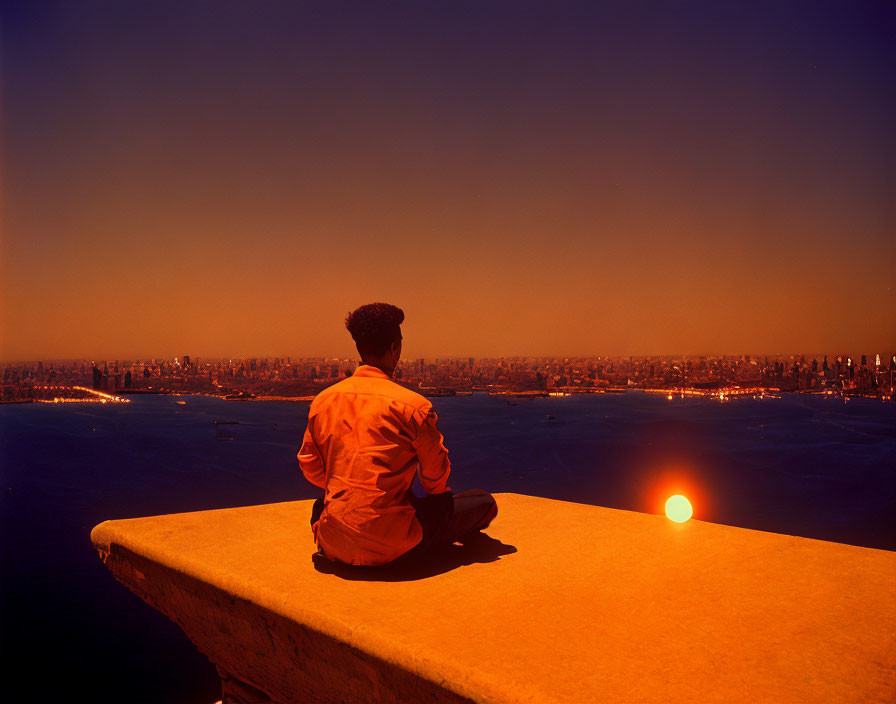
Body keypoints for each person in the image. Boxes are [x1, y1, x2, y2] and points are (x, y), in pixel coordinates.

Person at [298, 302, 498, 567]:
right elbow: (435, 482)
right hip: (395, 548)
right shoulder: (412, 406)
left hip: (333, 543)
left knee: (320, 505)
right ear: (395, 348)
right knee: (484, 503)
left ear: (359, 347)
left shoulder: (323, 401)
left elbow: (310, 465)